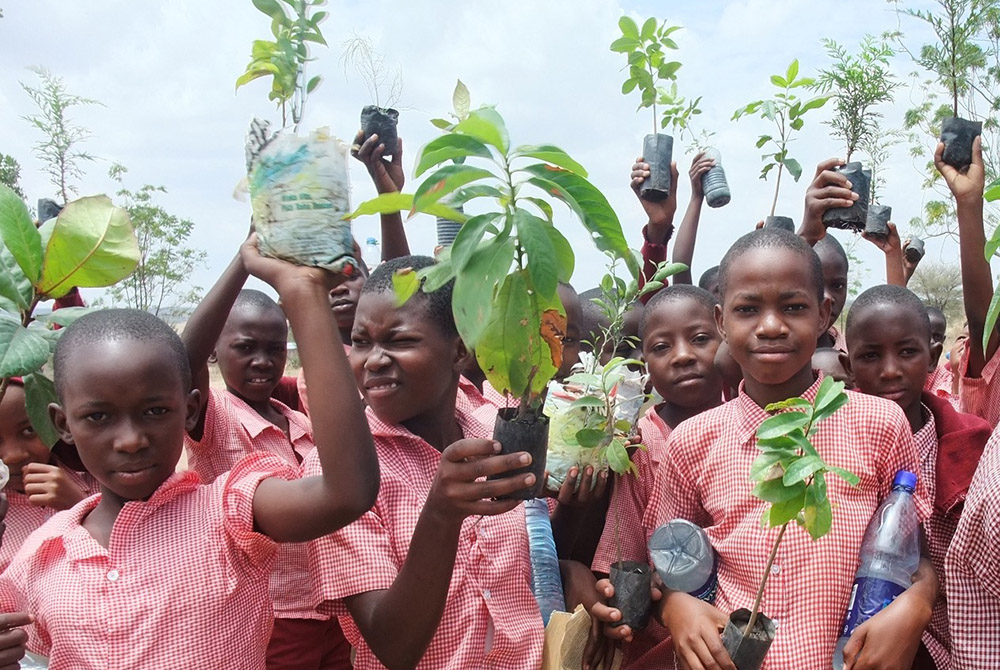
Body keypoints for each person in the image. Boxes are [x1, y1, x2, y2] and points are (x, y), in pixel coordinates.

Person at [0, 237, 379, 669]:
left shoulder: (229, 513)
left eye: (155, 411)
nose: (130, 440)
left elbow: (347, 493)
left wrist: (304, 296)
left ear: (191, 410)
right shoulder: (41, 556)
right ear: (63, 425)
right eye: (99, 418)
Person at [589, 228, 936, 670]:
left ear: (826, 313)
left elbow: (909, 551)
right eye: (748, 309)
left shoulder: (880, 424)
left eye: (793, 307)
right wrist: (675, 606)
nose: (771, 326)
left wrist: (916, 604)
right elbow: (667, 566)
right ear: (721, 322)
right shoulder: (693, 442)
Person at [306, 255, 545, 670]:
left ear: (458, 351)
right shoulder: (339, 473)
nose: (373, 360)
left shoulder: (497, 429)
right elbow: (393, 647)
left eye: (399, 341)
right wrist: (441, 515)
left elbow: (533, 555)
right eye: (361, 342)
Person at [181, 247, 352, 668]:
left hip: (331, 605)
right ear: (214, 352)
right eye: (245, 347)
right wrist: (243, 260)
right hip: (270, 613)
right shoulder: (213, 414)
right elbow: (181, 363)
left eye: (275, 349)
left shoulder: (298, 417)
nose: (263, 361)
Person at [844, 284, 991, 668]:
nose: (890, 370)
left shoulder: (970, 443)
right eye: (871, 356)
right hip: (856, 636)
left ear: (933, 357)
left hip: (952, 637)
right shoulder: (836, 447)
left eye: (907, 352)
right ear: (848, 367)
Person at [582, 284, 724, 670]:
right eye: (662, 348)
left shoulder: (755, 429)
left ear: (726, 336)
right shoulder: (640, 447)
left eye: (699, 339)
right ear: (645, 363)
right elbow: (623, 556)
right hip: (661, 651)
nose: (682, 356)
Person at [934, 136, 1000, 428]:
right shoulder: (979, 406)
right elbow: (982, 321)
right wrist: (969, 202)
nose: (965, 346)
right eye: (963, 339)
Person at [0, 378, 98, 572]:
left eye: (28, 431)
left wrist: (79, 506)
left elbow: (135, 556)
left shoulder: (101, 482)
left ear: (57, 424)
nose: (13, 455)